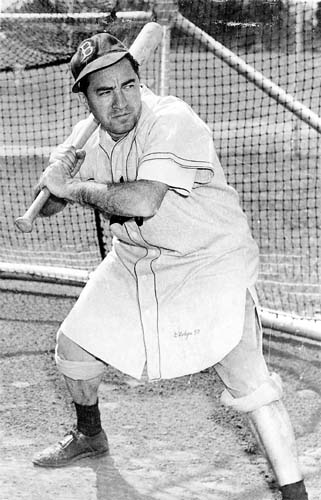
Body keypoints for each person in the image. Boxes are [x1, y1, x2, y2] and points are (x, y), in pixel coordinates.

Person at [32, 32, 308, 500]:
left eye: (128, 85)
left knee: (251, 383)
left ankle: (294, 492)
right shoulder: (94, 143)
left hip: (208, 261)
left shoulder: (172, 120)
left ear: (140, 82)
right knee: (73, 347)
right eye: (104, 92)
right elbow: (50, 208)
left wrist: (74, 189)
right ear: (87, 100)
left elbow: (142, 199)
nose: (120, 102)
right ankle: (90, 434)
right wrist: (57, 177)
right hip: (136, 262)